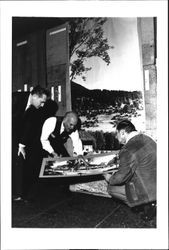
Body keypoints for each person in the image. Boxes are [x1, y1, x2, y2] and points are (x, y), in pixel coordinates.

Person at [103, 120, 156, 221]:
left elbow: (121, 177)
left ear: (122, 132)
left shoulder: (128, 148)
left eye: (116, 133)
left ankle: (143, 205)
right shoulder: (147, 139)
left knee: (112, 188)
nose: (115, 136)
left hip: (149, 190)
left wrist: (109, 178)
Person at [12, 85, 49, 202]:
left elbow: (28, 127)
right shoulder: (14, 99)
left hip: (17, 137)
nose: (42, 105)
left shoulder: (35, 109)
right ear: (34, 96)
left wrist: (21, 145)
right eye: (41, 102)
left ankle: (17, 194)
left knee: (19, 160)